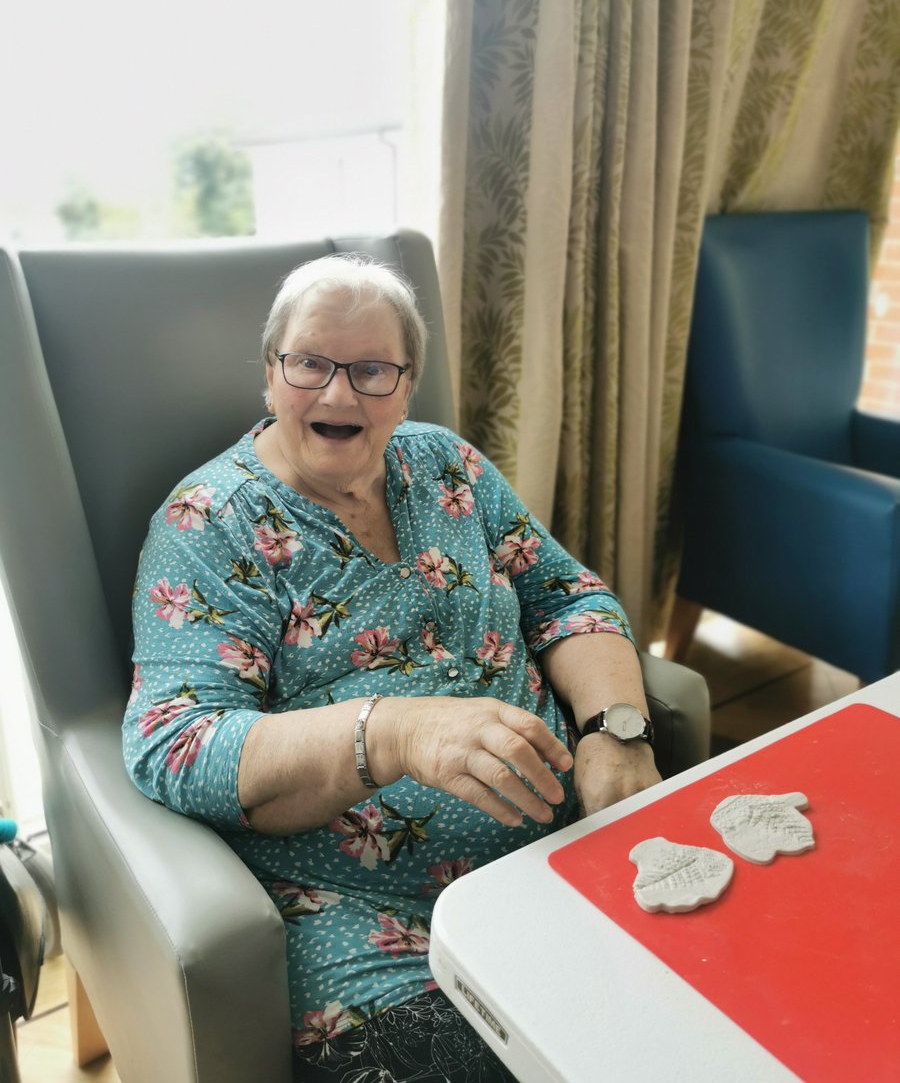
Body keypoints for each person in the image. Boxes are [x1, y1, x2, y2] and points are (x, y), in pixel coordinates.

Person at [123, 254, 661, 1082]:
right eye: (310, 363)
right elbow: (176, 744)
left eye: (372, 370)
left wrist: (614, 732)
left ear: (408, 384)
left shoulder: (448, 465)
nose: (338, 396)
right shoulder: (209, 524)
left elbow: (568, 597)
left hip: (568, 839)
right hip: (375, 919)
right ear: (270, 374)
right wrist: (394, 732)